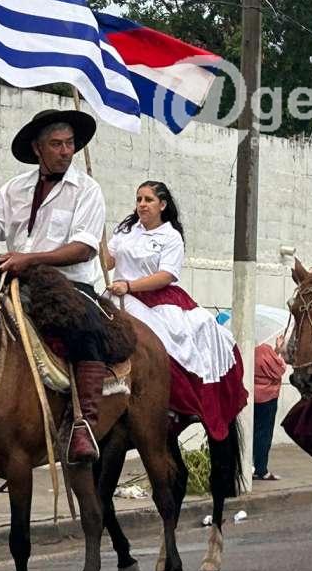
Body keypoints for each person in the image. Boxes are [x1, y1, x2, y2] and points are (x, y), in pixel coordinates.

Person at [0, 108, 109, 464]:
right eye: (57, 144)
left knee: (87, 327)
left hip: (69, 283)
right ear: (37, 148)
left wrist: (30, 259)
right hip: (15, 277)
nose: (66, 151)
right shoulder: (14, 188)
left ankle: (83, 423)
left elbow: (84, 248)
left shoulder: (87, 189)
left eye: (70, 143)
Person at [104, 181, 247, 442]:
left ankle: (170, 402)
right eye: (139, 199)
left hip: (154, 299)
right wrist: (95, 238)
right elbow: (107, 261)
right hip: (117, 294)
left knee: (162, 344)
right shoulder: (126, 231)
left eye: (148, 200)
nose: (142, 204)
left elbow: (167, 275)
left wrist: (130, 286)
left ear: (162, 205)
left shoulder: (171, 237)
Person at [253, 334, 287, 481]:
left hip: (252, 398)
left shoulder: (249, 353)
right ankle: (261, 469)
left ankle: (249, 467)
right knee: (264, 435)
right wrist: (279, 352)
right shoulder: (266, 351)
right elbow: (280, 368)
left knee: (252, 433)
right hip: (269, 399)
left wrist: (276, 349)